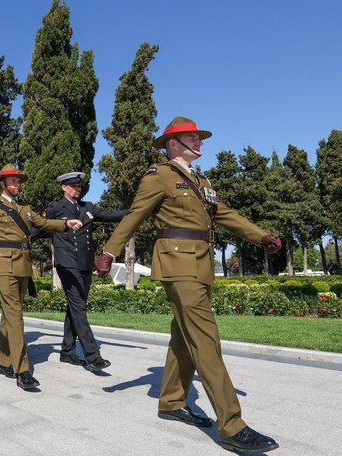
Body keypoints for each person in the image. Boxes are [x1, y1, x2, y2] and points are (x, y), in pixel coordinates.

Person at [94, 116, 282, 453]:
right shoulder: (159, 177)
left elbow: (223, 214)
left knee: (184, 338)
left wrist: (260, 236)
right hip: (177, 264)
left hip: (202, 265)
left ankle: (170, 401)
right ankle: (232, 425)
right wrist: (109, 252)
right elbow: (134, 216)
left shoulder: (202, 181)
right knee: (206, 339)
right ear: (173, 144)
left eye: (198, 137)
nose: (199, 143)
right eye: (192, 138)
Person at [0, 164, 82, 390]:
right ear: (3, 184)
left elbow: (42, 223)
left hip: (22, 265)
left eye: (19, 181)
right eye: (13, 181)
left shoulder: (25, 209)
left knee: (9, 314)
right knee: (15, 315)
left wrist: (65, 224)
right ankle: (21, 370)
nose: (17, 184)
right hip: (3, 265)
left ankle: (3, 361)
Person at [35, 172, 126, 370]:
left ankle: (67, 352)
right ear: (64, 187)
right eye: (73, 186)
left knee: (75, 307)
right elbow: (40, 228)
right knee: (78, 306)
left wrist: (137, 210)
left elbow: (110, 216)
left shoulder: (88, 207)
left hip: (85, 264)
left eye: (79, 186)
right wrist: (22, 242)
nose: (78, 189)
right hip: (66, 262)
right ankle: (93, 356)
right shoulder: (55, 208)